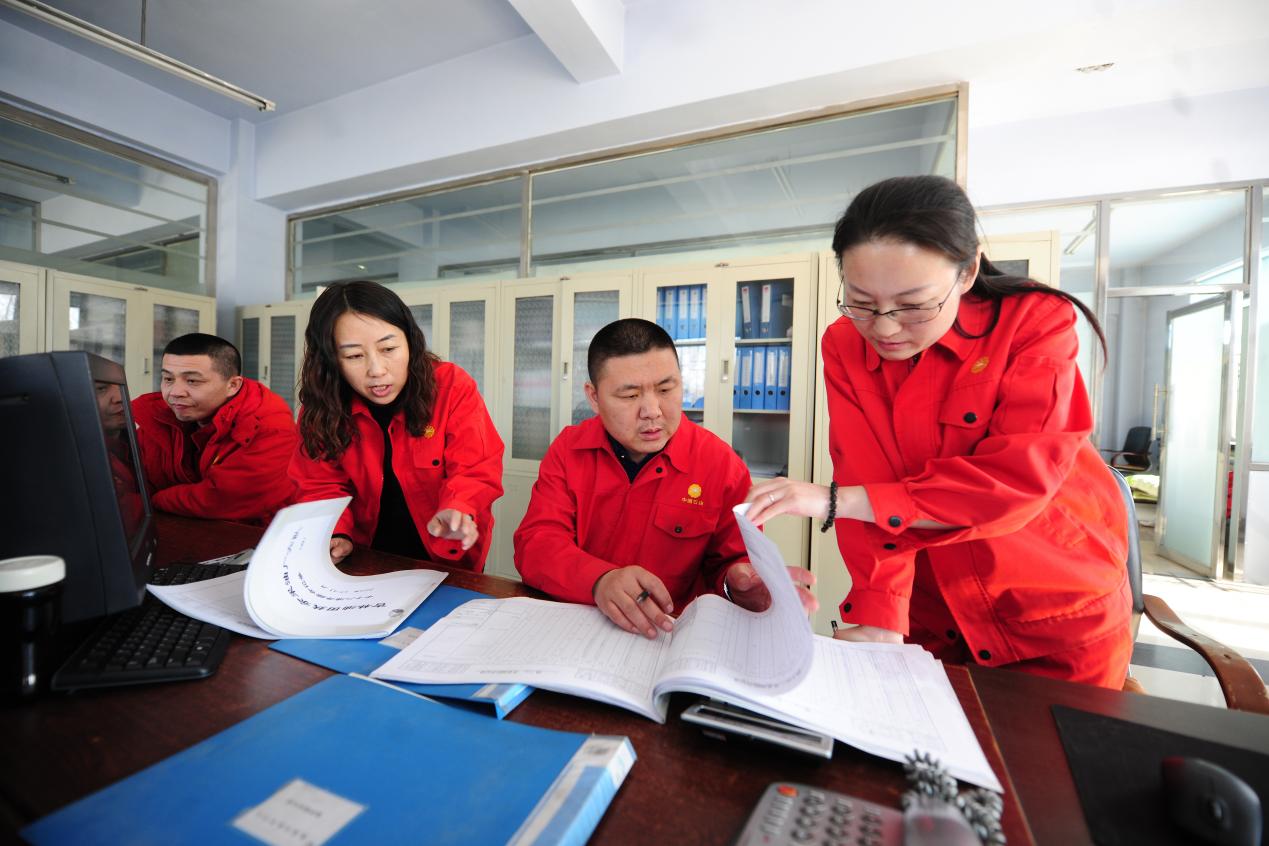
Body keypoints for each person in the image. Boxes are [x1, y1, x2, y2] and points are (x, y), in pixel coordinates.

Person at [746, 175, 1132, 689]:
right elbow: (866, 472)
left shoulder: (1033, 322)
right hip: (932, 617)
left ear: (967, 271)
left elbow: (1014, 482)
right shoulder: (844, 344)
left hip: (1052, 609)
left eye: (913, 305)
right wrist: (880, 613)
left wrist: (836, 500)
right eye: (861, 302)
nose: (885, 328)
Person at [515, 318, 816, 639]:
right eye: (630, 395)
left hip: (669, 636)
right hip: (579, 626)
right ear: (594, 397)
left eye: (665, 389)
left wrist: (741, 585)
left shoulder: (720, 465)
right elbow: (536, 544)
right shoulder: (569, 450)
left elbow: (735, 566)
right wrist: (599, 580)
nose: (652, 410)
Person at [290, 281, 504, 571]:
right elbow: (319, 485)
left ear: (411, 342)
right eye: (354, 356)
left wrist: (458, 507)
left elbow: (475, 467)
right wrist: (337, 532)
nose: (377, 370)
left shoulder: (451, 387)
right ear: (331, 361)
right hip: (364, 558)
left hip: (445, 561)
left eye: (389, 348)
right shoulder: (323, 406)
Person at [132, 333, 297, 525]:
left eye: (192, 381)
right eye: (168, 379)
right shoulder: (164, 415)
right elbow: (133, 475)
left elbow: (222, 499)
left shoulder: (269, 425)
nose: (175, 392)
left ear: (233, 385)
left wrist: (154, 501)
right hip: (188, 526)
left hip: (259, 533)